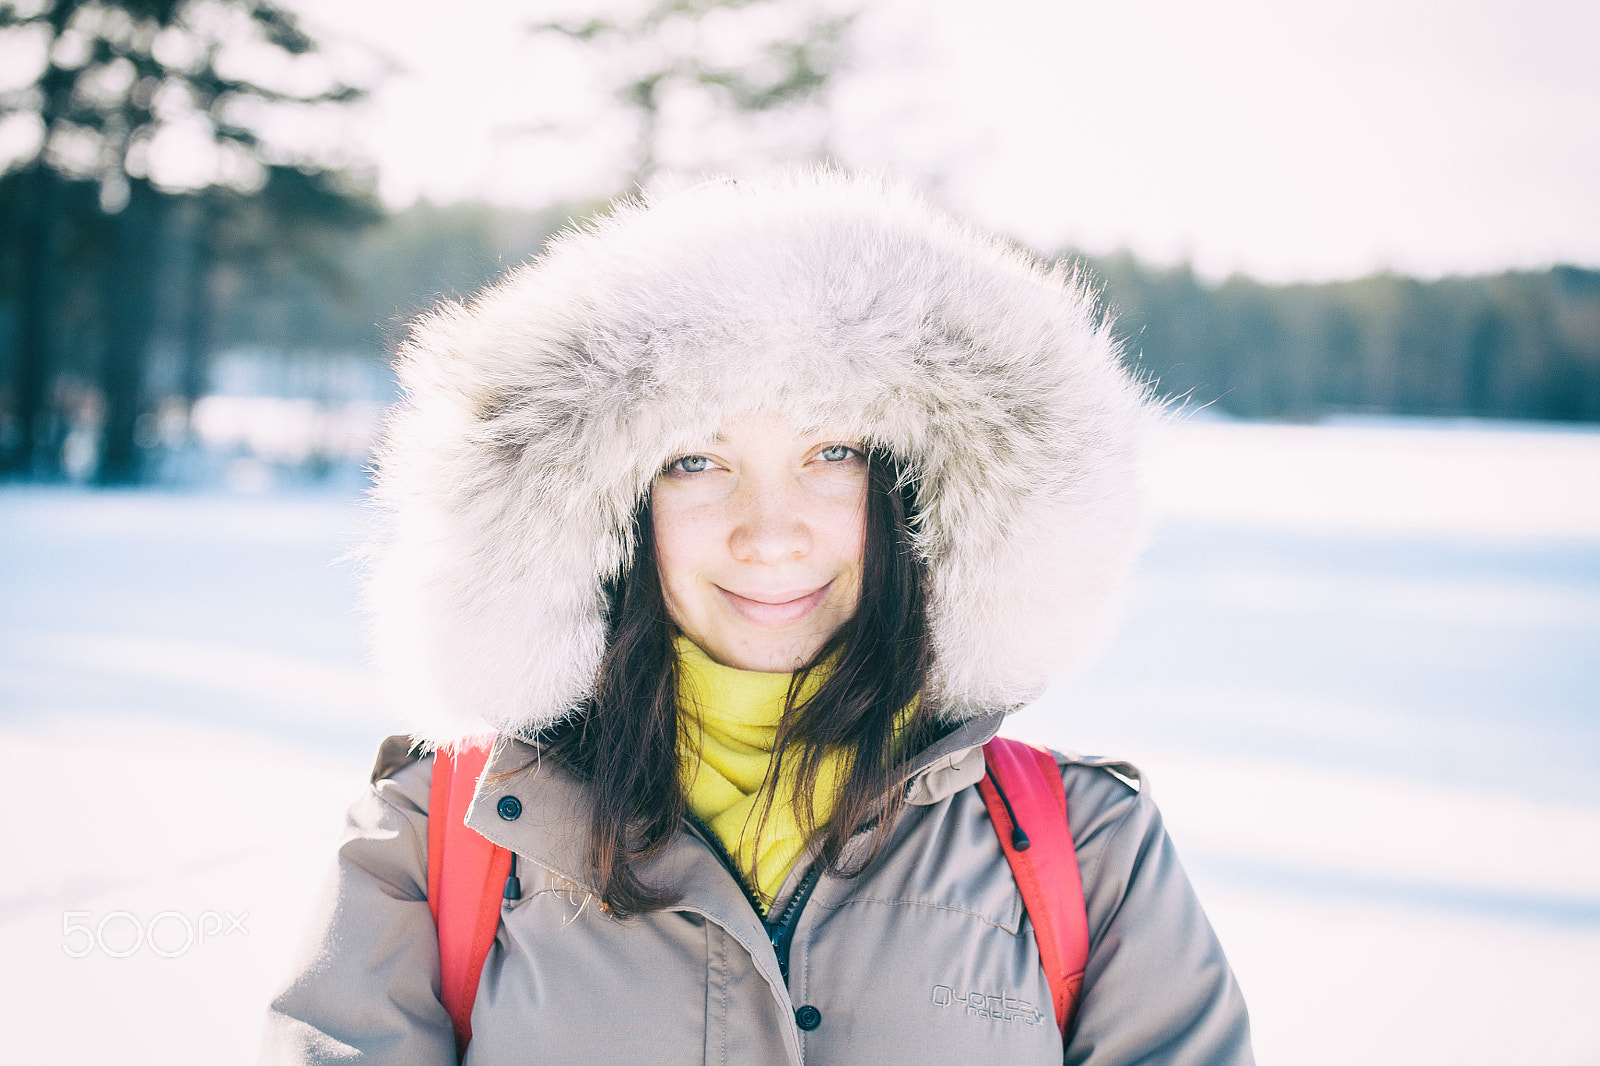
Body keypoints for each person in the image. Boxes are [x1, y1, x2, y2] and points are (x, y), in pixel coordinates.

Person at [261, 171, 1254, 1064]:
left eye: (831, 454)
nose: (769, 535)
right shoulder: (440, 838)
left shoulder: (1085, 849)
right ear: (610, 507)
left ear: (915, 492)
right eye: (697, 460)